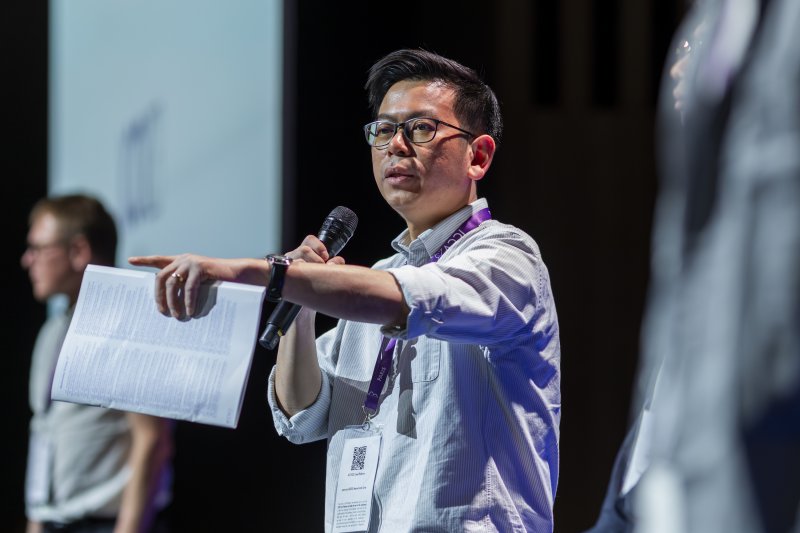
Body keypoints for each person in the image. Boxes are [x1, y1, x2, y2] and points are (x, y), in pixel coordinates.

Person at [130, 48, 561, 532]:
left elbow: (409, 297)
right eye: (384, 130)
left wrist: (262, 272)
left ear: (477, 156)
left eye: (421, 128)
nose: (396, 145)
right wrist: (301, 306)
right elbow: (301, 413)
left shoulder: (506, 255)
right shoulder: (381, 273)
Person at [22, 194, 174, 533]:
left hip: (107, 523)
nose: (27, 259)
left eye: (38, 248)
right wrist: (37, 520)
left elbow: (152, 439)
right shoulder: (52, 332)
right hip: (55, 519)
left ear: (78, 251)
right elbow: (44, 429)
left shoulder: (129, 325)